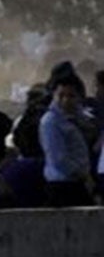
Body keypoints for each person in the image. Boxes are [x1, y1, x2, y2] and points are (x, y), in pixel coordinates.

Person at [39, 76, 95, 208]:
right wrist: (83, 175)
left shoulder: (73, 118)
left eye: (71, 96)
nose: (65, 100)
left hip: (75, 183)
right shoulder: (51, 122)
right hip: (63, 185)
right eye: (61, 95)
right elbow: (59, 158)